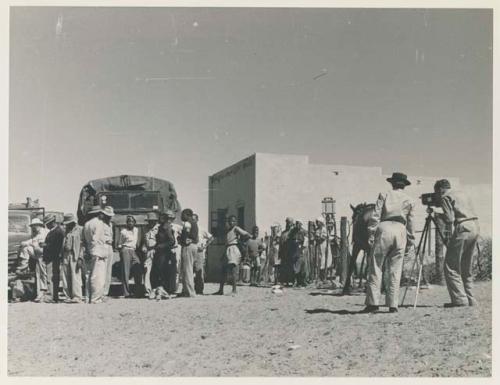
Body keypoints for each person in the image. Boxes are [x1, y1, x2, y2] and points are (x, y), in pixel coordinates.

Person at [362, 172, 415, 313]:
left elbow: (376, 215)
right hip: (401, 229)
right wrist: (410, 240)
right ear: (404, 185)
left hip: (384, 227)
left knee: (376, 266)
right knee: (395, 270)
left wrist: (371, 232)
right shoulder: (409, 199)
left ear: (392, 183)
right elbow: (411, 222)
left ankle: (373, 302)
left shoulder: (384, 194)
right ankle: (393, 304)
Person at [434, 179, 480, 307]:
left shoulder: (445, 196)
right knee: (466, 265)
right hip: (474, 225)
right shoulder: (462, 193)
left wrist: (438, 213)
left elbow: (449, 219)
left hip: (462, 226)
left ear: (439, 189)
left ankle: (460, 300)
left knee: (451, 265)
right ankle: (471, 299)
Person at [83, 206, 114, 304]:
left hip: (90, 251)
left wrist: (88, 250)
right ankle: (96, 298)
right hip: (98, 252)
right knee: (98, 277)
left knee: (89, 275)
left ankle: (88, 297)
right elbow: (96, 239)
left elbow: (85, 239)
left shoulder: (87, 224)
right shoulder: (99, 224)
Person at [214, 215, 251, 295]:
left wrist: (241, 241)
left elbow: (247, 235)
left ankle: (234, 290)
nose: (231, 222)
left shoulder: (236, 228)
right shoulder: (227, 230)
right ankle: (221, 290)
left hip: (233, 248)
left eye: (233, 221)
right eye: (230, 221)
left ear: (236, 222)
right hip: (227, 249)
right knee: (223, 270)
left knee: (233, 270)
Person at [18, 218, 49, 301]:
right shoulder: (36, 233)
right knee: (38, 274)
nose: (33, 227)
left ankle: (43, 292)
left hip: (42, 255)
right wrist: (25, 243)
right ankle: (24, 264)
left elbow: (41, 244)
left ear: (39, 225)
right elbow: (32, 241)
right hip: (37, 254)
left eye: (34, 226)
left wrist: (29, 243)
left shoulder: (44, 232)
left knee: (43, 274)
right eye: (32, 226)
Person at [152, 211, 178, 299]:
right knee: (159, 272)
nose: (159, 219)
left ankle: (167, 290)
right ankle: (161, 290)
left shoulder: (167, 228)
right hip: (160, 253)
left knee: (164, 272)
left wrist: (161, 246)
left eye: (161, 217)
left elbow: (172, 241)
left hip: (166, 254)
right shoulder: (161, 227)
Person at [61, 213, 84, 303]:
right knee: (66, 276)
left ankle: (77, 296)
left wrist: (80, 258)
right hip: (66, 254)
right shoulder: (66, 231)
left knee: (75, 275)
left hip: (75, 254)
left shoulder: (80, 230)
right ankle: (68, 295)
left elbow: (82, 245)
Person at [117, 215, 142, 298]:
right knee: (125, 271)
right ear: (126, 223)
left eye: (132, 221)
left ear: (134, 223)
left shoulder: (136, 230)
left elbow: (138, 242)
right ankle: (126, 292)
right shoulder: (123, 231)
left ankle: (138, 292)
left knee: (137, 268)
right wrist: (121, 252)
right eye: (128, 221)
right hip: (126, 250)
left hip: (133, 250)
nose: (130, 223)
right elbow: (119, 244)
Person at [43, 214, 65, 302]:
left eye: (47, 224)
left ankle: (51, 296)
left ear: (52, 223)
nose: (46, 226)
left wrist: (45, 245)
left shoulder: (57, 232)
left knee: (51, 277)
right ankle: (54, 296)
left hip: (52, 257)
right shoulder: (57, 231)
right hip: (54, 257)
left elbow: (56, 246)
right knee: (54, 277)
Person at [178, 209, 199, 297]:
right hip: (193, 246)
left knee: (188, 270)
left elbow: (186, 237)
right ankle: (185, 290)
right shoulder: (194, 223)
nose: (181, 217)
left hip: (188, 247)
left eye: (183, 215)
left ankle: (190, 292)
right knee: (186, 269)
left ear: (187, 215)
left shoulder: (187, 223)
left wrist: (180, 238)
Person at [193, 213, 213, 295]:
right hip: (191, 252)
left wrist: (204, 246)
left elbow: (211, 238)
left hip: (199, 252)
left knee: (199, 271)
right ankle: (192, 289)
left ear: (197, 220)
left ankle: (199, 290)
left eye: (194, 219)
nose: (193, 221)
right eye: (192, 219)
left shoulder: (201, 229)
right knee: (191, 271)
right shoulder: (188, 228)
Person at [142, 212, 159, 299]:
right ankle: (148, 290)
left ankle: (157, 290)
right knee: (147, 270)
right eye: (150, 221)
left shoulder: (159, 228)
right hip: (148, 252)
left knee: (156, 271)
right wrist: (144, 246)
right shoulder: (145, 229)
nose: (151, 223)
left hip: (157, 251)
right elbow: (144, 241)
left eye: (153, 221)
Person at [101, 207, 115, 298]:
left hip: (110, 247)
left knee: (108, 270)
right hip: (104, 246)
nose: (109, 217)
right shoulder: (101, 224)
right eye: (107, 216)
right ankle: (101, 291)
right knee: (102, 269)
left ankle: (106, 291)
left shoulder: (111, 224)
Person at [279, 217, 295, 286]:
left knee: (291, 267)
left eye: (289, 223)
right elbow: (281, 243)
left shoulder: (292, 232)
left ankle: (291, 281)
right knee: (284, 267)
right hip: (284, 252)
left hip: (291, 252)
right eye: (287, 222)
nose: (288, 224)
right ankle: (285, 281)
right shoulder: (283, 233)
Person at [315, 217, 329, 282]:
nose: (317, 223)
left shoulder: (324, 229)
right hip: (318, 245)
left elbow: (324, 237)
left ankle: (323, 276)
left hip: (323, 245)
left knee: (323, 259)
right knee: (318, 259)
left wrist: (319, 238)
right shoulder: (317, 229)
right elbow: (316, 236)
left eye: (318, 222)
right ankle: (318, 276)